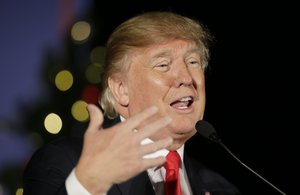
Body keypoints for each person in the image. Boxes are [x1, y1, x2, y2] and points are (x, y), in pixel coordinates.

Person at [23, 11, 240, 195]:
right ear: (121, 89)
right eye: (163, 65)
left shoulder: (221, 188)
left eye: (193, 62)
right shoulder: (65, 163)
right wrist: (87, 184)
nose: (186, 77)